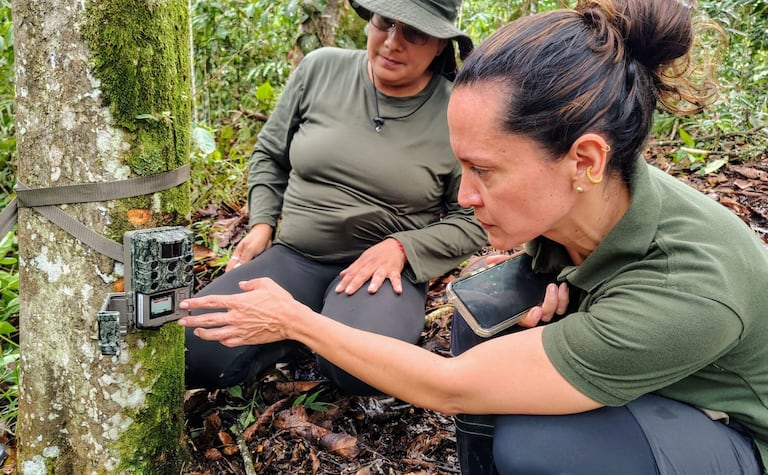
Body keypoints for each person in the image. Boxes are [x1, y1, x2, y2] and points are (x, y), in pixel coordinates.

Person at [180, 0, 768, 473]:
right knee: (488, 313)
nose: (464, 195)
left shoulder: (690, 280)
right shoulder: (586, 200)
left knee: (540, 448)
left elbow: (450, 387)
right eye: (462, 167)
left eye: (484, 171)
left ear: (585, 160)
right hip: (655, 365)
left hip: (732, 425)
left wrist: (294, 321)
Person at [184, 0, 487, 393]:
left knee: (360, 369)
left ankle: (312, 328)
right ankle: (290, 335)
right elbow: (270, 154)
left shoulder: (456, 110)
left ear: (440, 44)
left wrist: (402, 248)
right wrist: (261, 224)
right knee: (194, 350)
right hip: (296, 258)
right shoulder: (321, 69)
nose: (393, 42)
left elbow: (474, 218)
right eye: (386, 22)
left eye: (414, 33)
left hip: (380, 275)